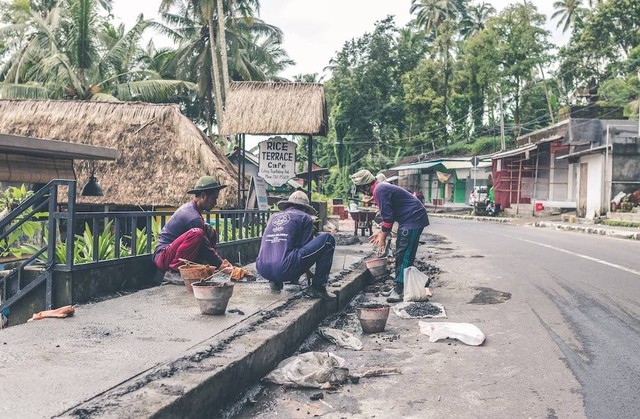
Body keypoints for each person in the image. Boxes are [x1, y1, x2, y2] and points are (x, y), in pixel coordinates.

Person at [351, 169, 430, 303]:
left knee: (404, 254)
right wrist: (381, 232)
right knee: (401, 252)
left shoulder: (379, 190)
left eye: (360, 188)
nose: (361, 192)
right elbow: (388, 215)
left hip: (413, 220)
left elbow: (388, 219)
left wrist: (382, 239)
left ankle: (399, 290)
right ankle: (400, 286)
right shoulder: (380, 189)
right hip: (408, 220)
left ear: (365, 186)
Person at [256, 191, 336, 301]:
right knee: (328, 239)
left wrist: (307, 271)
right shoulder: (304, 217)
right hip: (284, 268)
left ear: (288, 205)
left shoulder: (274, 217)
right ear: (305, 208)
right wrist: (308, 270)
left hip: (262, 268)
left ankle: (275, 281)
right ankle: (318, 288)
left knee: (280, 246)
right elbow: (305, 248)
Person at [152, 176, 230, 284]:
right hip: (163, 256)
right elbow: (205, 247)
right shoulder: (193, 217)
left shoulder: (193, 211)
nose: (215, 203)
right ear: (203, 196)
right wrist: (221, 265)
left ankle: (194, 267)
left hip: (170, 254)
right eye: (213, 198)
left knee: (209, 231)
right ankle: (174, 272)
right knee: (197, 233)